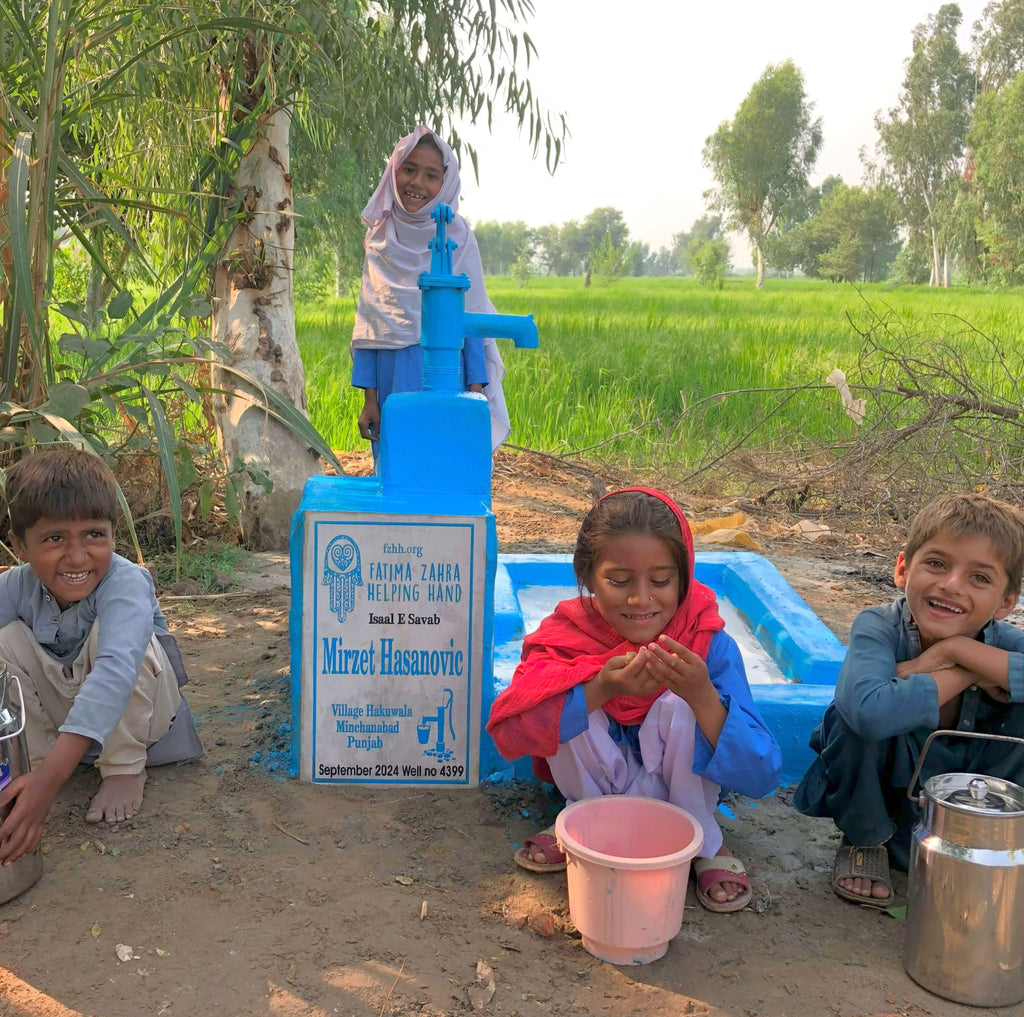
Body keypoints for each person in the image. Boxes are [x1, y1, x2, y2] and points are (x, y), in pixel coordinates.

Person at [486, 488, 782, 912]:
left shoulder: (706, 642)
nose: (641, 599)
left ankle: (700, 841)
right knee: (563, 695)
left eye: (661, 581)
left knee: (680, 702)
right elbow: (513, 730)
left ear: (684, 577)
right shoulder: (565, 638)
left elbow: (762, 773)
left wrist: (701, 696)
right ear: (587, 577)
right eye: (620, 581)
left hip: (682, 797)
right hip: (595, 794)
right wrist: (600, 690)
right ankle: (583, 819)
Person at [794, 492, 1024, 906]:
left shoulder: (1006, 643)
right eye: (937, 563)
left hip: (972, 811)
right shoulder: (878, 626)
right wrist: (972, 673)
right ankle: (865, 841)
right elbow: (869, 713)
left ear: (1006, 602)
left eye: (980, 577)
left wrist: (958, 654)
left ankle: (996, 845)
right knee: (849, 715)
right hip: (892, 807)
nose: (951, 585)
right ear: (903, 569)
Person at [0, 449, 204, 864]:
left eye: (94, 534)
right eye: (54, 538)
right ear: (20, 545)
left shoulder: (125, 581)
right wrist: (44, 776)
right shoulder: (14, 586)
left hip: (143, 714)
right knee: (6, 641)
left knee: (127, 647)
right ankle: (36, 764)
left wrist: (51, 783)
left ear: (114, 533)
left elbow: (115, 673)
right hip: (68, 716)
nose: (77, 557)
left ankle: (123, 768)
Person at [350, 125, 510, 467]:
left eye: (431, 175)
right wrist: (369, 400)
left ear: (445, 184)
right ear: (394, 172)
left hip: (447, 375)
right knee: (397, 466)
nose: (418, 183)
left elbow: (470, 317)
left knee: (445, 464)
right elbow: (370, 325)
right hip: (391, 376)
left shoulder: (459, 237)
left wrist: (476, 393)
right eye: (409, 170)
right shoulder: (381, 239)